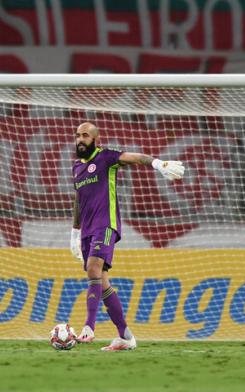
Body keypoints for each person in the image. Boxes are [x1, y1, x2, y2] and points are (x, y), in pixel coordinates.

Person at [70, 122, 184, 351]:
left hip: (106, 225)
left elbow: (137, 157)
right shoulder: (76, 167)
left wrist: (157, 163)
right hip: (87, 230)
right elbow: (78, 200)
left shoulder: (106, 157)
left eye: (85, 135)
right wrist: (74, 233)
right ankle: (125, 336)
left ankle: (89, 327)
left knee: (93, 268)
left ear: (95, 139)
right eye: (77, 136)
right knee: (101, 282)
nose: (80, 139)